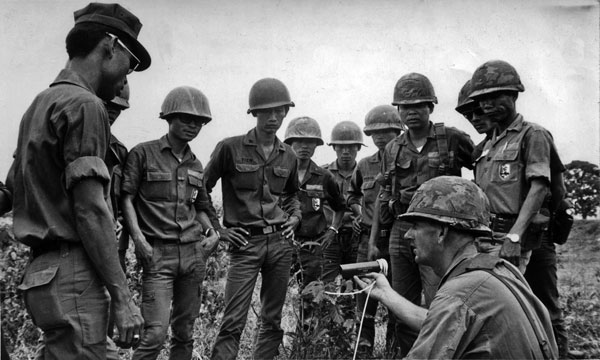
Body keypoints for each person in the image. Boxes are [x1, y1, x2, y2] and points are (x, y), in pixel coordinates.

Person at [11, 3, 150, 359]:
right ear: (110, 46)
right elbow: (90, 208)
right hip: (74, 273)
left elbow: (13, 187)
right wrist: (122, 296)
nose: (126, 79)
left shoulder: (40, 104)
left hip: (42, 276)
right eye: (130, 64)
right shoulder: (86, 105)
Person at [355, 176, 559, 359]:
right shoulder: (501, 270)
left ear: (442, 232)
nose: (408, 235)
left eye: (416, 226)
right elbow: (440, 323)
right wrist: (386, 294)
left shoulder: (458, 294)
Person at [470, 60, 577, 358]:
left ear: (514, 95)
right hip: (493, 237)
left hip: (528, 235)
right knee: (505, 308)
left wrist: (514, 237)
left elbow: (541, 187)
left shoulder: (533, 135)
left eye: (496, 96)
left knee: (545, 307)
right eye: (483, 99)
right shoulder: (487, 145)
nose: (489, 104)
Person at [372, 72, 475, 356]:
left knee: (439, 303)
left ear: (431, 106)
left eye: (418, 105)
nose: (411, 112)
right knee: (400, 304)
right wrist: (377, 238)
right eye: (404, 107)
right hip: (400, 232)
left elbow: (482, 167)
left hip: (439, 235)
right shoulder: (392, 148)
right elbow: (384, 192)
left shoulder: (451, 139)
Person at [205, 78, 301, 360]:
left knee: (272, 320)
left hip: (280, 244)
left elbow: (293, 194)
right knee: (233, 320)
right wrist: (218, 229)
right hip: (245, 244)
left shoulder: (289, 155)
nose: (273, 118)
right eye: (266, 112)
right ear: (254, 113)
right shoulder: (229, 148)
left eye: (279, 111)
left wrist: (294, 216)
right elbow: (200, 188)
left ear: (286, 113)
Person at [121, 86, 219, 360]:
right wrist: (139, 241)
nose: (193, 126)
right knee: (153, 335)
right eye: (186, 119)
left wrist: (213, 233)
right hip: (158, 256)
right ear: (169, 117)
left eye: (199, 122)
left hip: (193, 255)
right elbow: (126, 199)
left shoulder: (196, 164)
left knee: (185, 332)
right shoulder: (143, 154)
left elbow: (199, 207)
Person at [346, 105, 404, 356]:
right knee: (364, 297)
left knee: (398, 299)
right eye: (374, 133)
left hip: (398, 237)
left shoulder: (405, 160)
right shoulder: (365, 164)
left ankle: (394, 349)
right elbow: (352, 195)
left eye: (386, 132)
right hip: (367, 241)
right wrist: (359, 214)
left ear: (397, 131)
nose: (380, 137)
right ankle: (364, 350)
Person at [284, 116, 345, 288]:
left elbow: (340, 207)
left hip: (312, 246)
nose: (305, 146)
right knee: (282, 293)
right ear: (290, 143)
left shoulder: (324, 176)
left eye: (310, 142)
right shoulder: (279, 174)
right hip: (284, 244)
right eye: (300, 141)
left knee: (310, 294)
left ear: (316, 145)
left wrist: (332, 230)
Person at [321, 121, 364, 282]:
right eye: (341, 147)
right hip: (331, 235)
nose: (346, 152)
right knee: (327, 282)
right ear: (334, 148)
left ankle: (350, 309)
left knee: (355, 282)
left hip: (356, 236)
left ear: (358, 148)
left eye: (351, 147)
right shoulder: (323, 173)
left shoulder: (365, 173)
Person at [105, 83, 131, 271]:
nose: (113, 113)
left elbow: (122, 206)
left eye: (118, 108)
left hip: (110, 247)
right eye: (108, 105)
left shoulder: (119, 151)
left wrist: (120, 251)